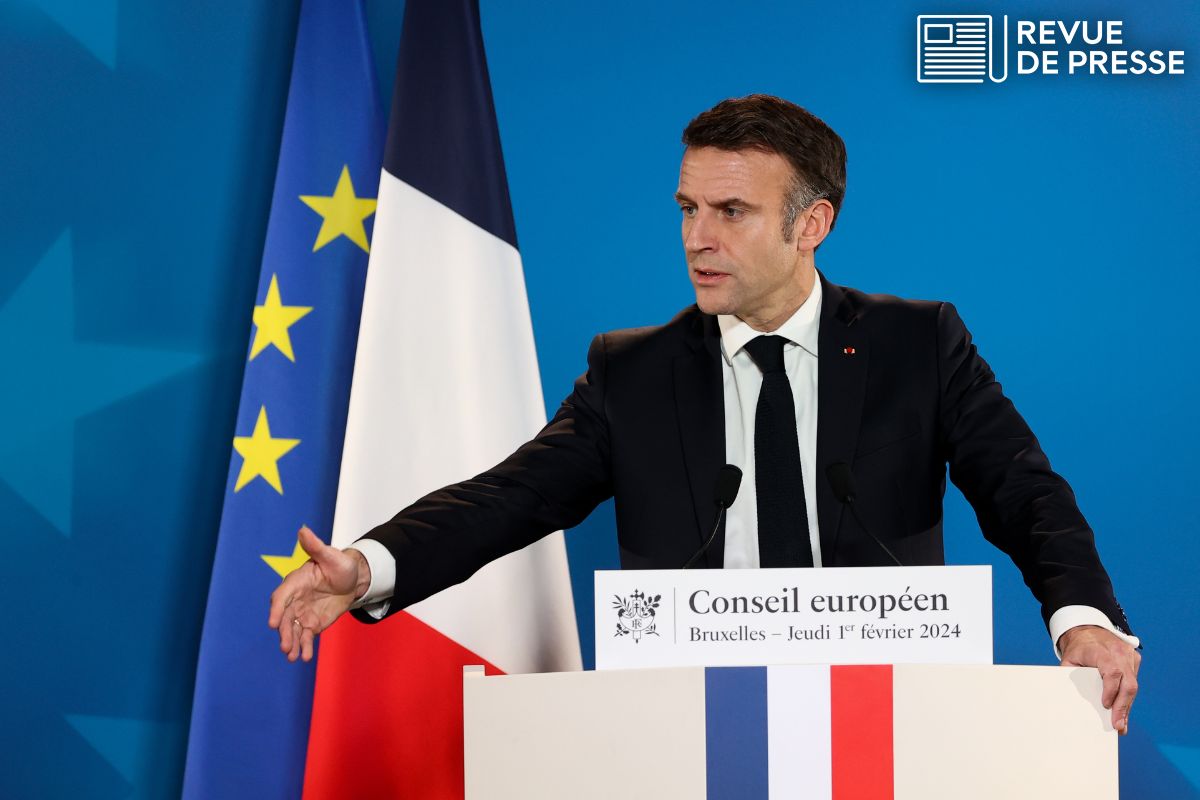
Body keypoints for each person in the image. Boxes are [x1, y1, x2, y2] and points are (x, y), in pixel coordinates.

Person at [269, 94, 1140, 732]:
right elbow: (512, 497)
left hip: (888, 722)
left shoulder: (918, 345)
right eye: (688, 209)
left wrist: (1084, 622)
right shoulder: (633, 372)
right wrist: (369, 565)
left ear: (812, 224)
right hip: (691, 732)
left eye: (731, 212)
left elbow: (1024, 493)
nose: (697, 237)